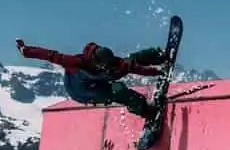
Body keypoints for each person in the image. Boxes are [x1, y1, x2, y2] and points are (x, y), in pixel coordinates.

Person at [15, 39, 168, 119]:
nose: (106, 68)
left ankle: (158, 55)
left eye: (108, 66)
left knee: (131, 59)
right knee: (118, 90)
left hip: (97, 81)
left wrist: (156, 72)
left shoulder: (112, 63)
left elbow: (131, 67)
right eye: (103, 66)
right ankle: (146, 111)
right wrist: (26, 51)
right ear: (95, 62)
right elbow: (50, 55)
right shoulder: (77, 62)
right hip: (81, 91)